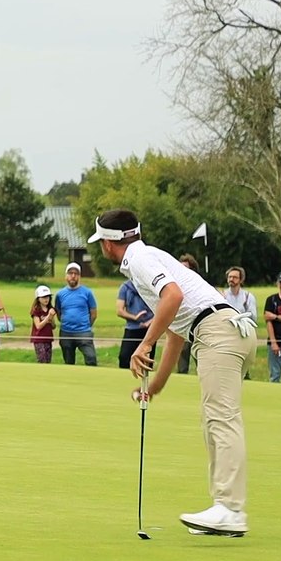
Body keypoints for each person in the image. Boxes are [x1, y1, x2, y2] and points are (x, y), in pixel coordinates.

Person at [90, 209, 257, 536]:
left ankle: (230, 510)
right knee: (213, 420)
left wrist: (144, 344)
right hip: (227, 330)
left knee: (221, 418)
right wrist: (154, 387)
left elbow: (174, 296)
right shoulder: (151, 256)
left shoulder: (139, 259)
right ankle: (223, 510)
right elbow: (176, 332)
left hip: (217, 332)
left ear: (109, 244)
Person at [54, 262, 98, 366]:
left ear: (79, 276)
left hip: (83, 332)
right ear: (66, 276)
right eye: (70, 273)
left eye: (76, 274)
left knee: (91, 358)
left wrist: (86, 325)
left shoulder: (87, 292)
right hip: (66, 332)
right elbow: (58, 312)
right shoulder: (60, 294)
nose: (73, 276)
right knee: (68, 361)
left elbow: (93, 313)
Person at [116, 280, 155, 370]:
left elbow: (161, 308)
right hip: (132, 328)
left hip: (150, 329)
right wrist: (135, 318)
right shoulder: (125, 287)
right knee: (124, 357)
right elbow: (119, 311)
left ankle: (145, 378)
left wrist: (149, 322)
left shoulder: (151, 286)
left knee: (147, 360)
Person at [174, 255, 202, 374]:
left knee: (201, 361)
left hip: (198, 328)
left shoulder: (199, 286)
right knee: (182, 361)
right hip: (183, 327)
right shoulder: (175, 287)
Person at [30, 285, 57, 363]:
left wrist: (51, 318)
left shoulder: (50, 309)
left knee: (48, 360)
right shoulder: (36, 310)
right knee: (42, 360)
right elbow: (38, 326)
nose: (46, 299)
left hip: (48, 338)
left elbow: (53, 326)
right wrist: (48, 316)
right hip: (39, 339)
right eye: (43, 297)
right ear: (38, 298)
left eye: (48, 297)